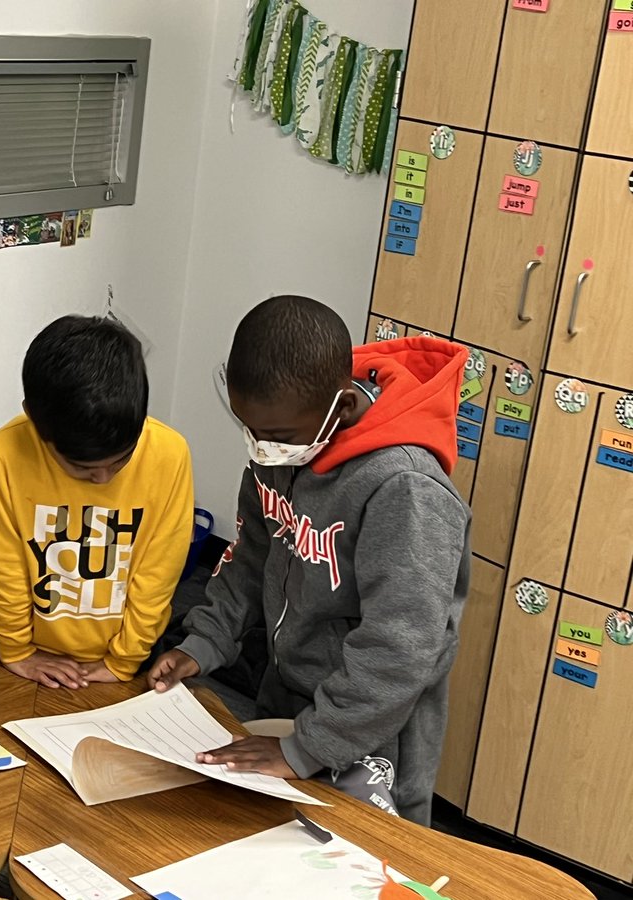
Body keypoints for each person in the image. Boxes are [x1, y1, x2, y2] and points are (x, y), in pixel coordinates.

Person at [148, 295, 470, 825]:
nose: (262, 449)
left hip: (371, 733)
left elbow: (401, 646)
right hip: (288, 699)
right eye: (250, 430)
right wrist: (204, 641)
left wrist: (308, 748)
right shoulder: (282, 443)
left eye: (278, 438)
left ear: (340, 409)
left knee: (359, 866)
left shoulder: (405, 490)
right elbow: (251, 555)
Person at [0, 315, 194, 688]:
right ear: (34, 419)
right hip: (34, 653)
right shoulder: (6, 451)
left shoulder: (169, 454)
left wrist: (124, 660)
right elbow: (4, 564)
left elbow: (159, 574)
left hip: (133, 654)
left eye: (121, 460)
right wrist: (16, 650)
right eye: (82, 468)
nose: (103, 479)